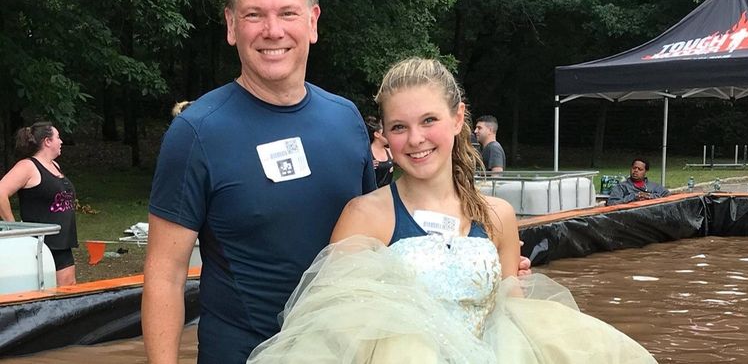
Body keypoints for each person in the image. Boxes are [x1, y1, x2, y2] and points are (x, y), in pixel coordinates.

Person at [142, 0, 531, 363]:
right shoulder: (197, 132)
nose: (273, 30)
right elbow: (165, 275)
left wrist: (477, 272)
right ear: (231, 25)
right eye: (254, 14)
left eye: (288, 13)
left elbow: (383, 236)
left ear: (312, 22)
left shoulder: (344, 119)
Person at [247, 57, 656, 363]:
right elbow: (330, 328)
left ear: (458, 117)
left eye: (429, 120)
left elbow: (509, 302)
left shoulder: (498, 216)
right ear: (385, 135)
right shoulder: (366, 215)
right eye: (399, 127)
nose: (415, 139)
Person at [0, 122, 78, 286]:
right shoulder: (28, 166)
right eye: (57, 137)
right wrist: (13, 226)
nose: (61, 141)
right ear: (47, 141)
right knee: (47, 294)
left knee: (69, 290)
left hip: (63, 241)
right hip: (41, 246)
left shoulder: (54, 165)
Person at [365, 115, 394, 187]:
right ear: (377, 134)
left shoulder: (390, 152)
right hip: (371, 195)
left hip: (388, 194)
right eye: (384, 132)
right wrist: (366, 167)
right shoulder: (367, 154)